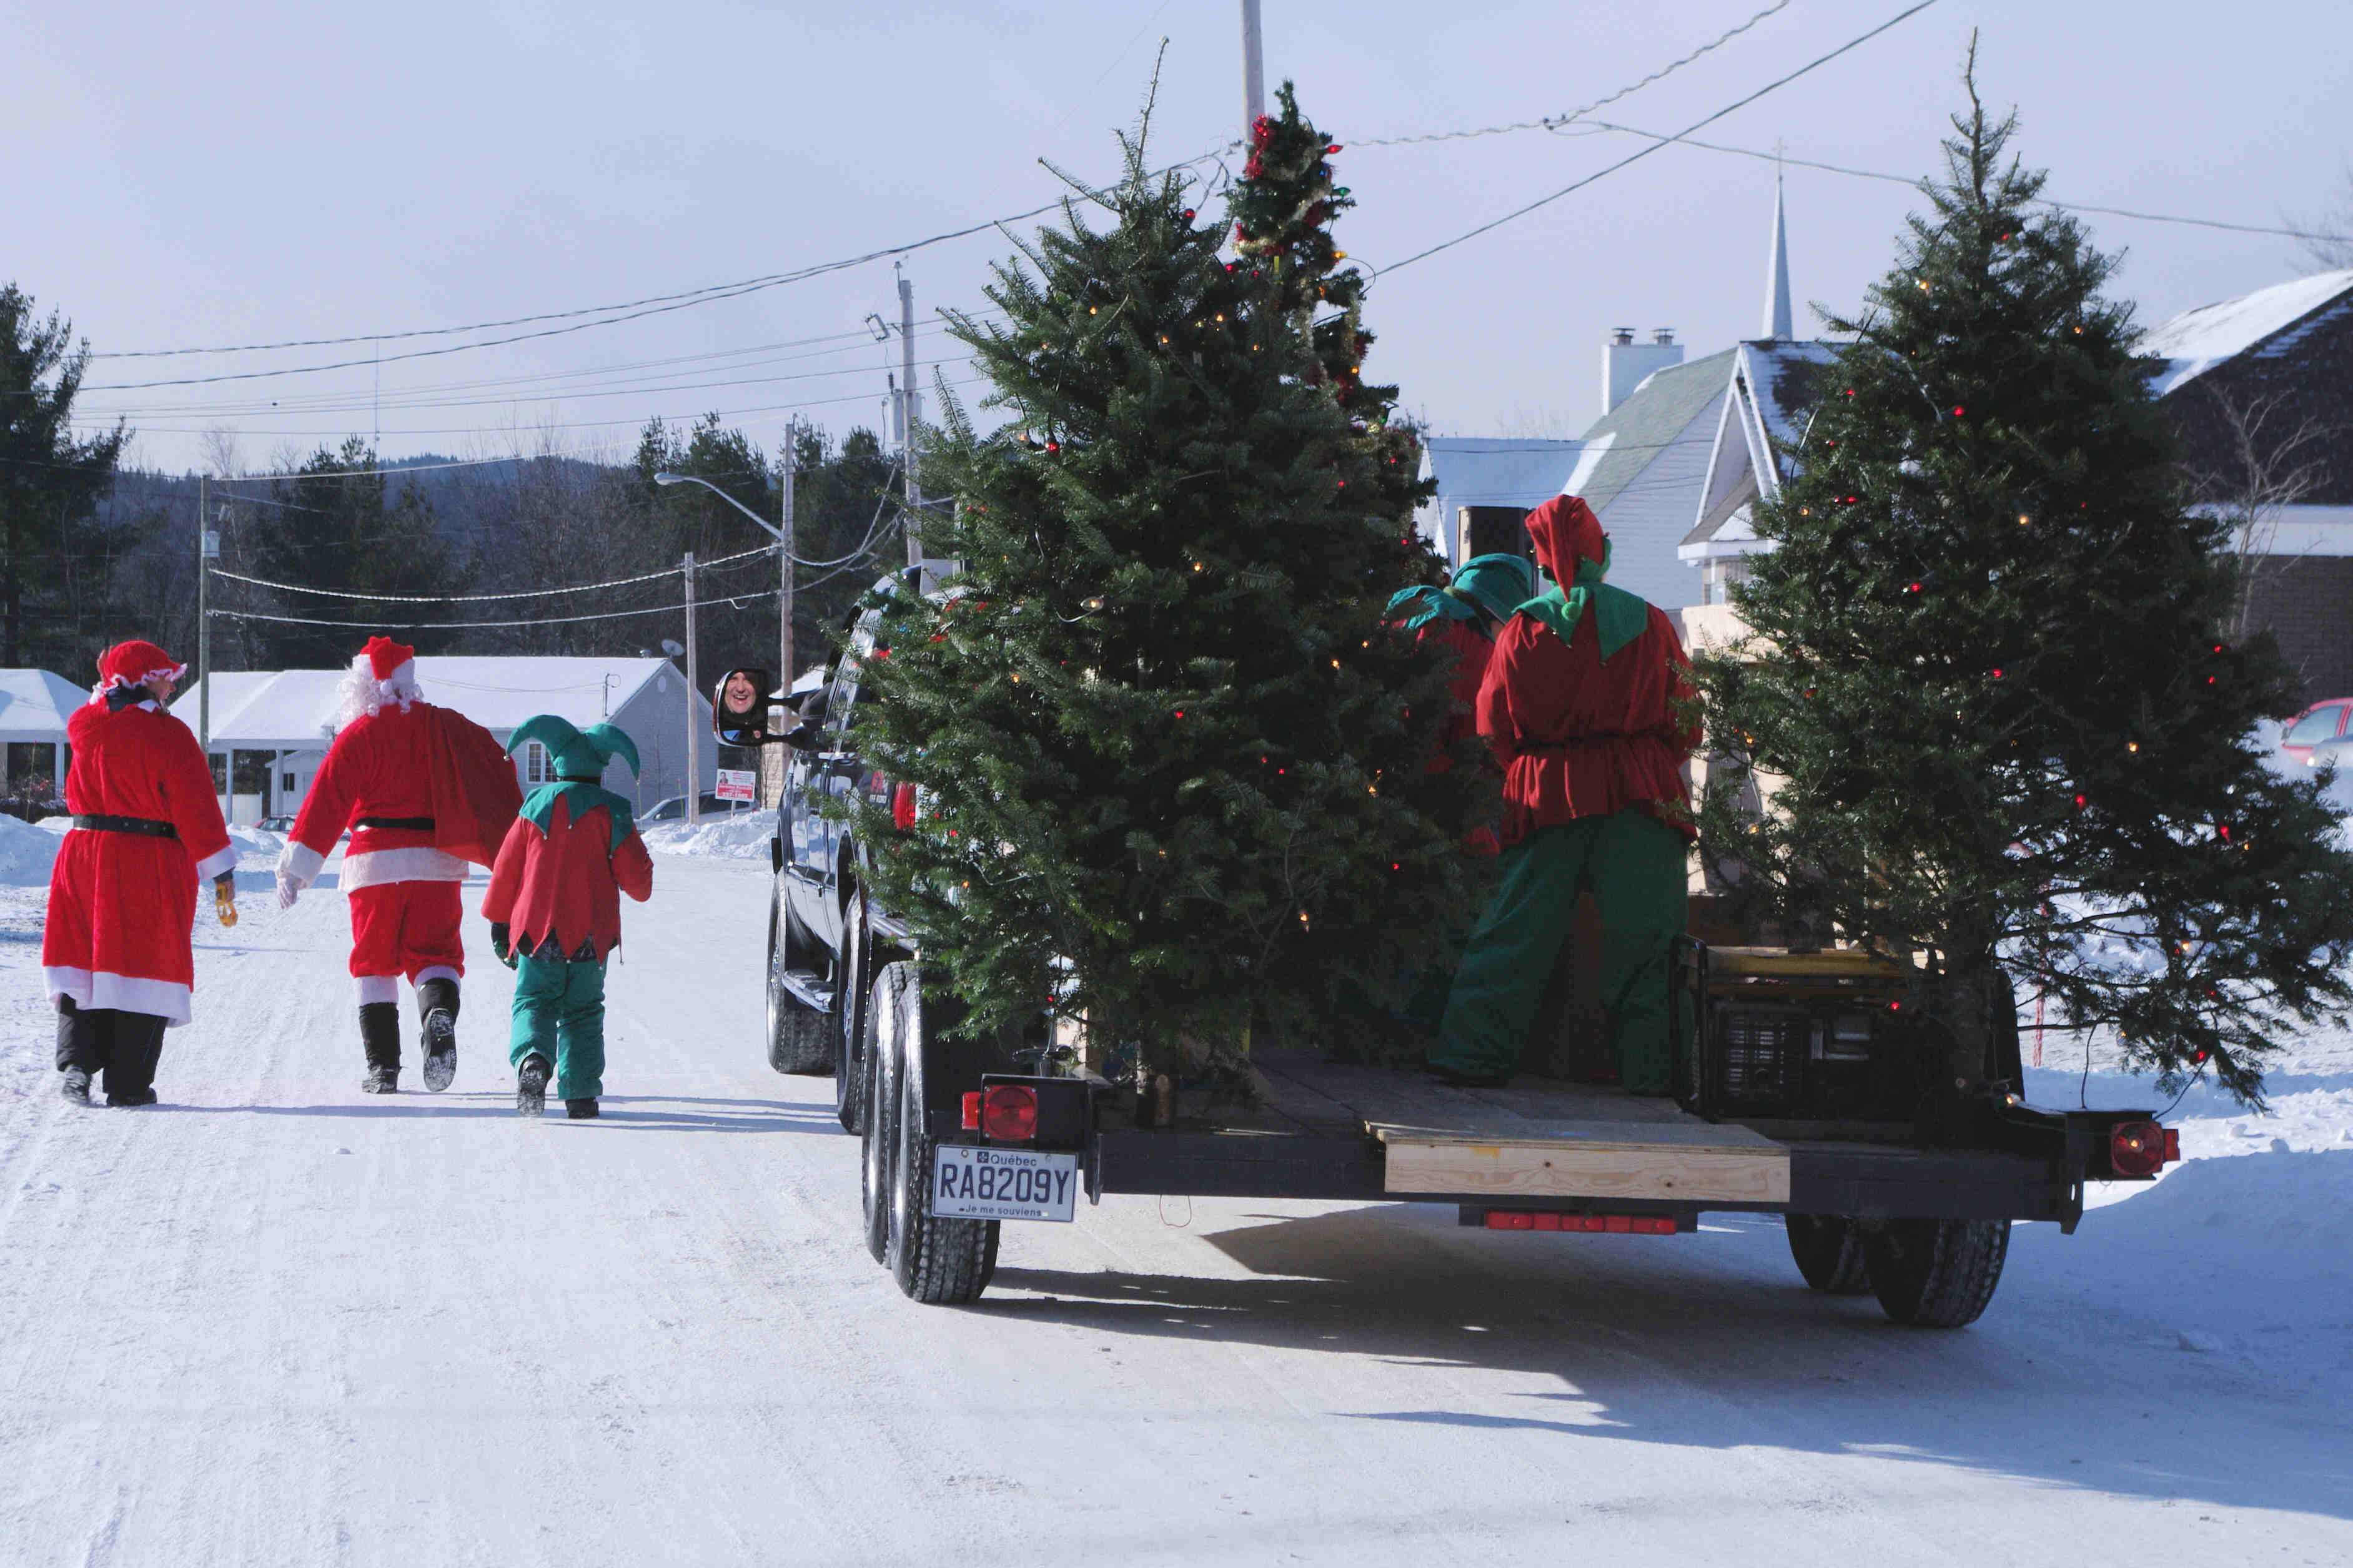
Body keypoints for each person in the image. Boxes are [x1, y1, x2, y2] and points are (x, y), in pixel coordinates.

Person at [1429, 495, 1700, 1092]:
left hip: (1545, 795)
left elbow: (1492, 724)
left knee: (1514, 931)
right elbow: (1685, 718)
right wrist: (1646, 759)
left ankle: (1469, 1057)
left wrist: (1530, 769)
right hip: (1640, 795)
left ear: (1544, 561)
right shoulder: (1652, 622)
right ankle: (1656, 1076)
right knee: (1648, 946)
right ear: (1600, 552)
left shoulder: (1521, 629)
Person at [275, 637, 521, 1093]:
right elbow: (491, 763)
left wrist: (298, 867)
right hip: (434, 861)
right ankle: (437, 1013)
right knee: (437, 955)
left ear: (364, 683)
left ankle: (383, 1068)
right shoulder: (443, 726)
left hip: (373, 865)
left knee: (373, 964)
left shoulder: (357, 735)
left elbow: (326, 801)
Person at [42, 641, 238, 1106]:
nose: (172, 683)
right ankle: (128, 1080)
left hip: (84, 856)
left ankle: (75, 1064)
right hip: (147, 861)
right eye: (165, 675)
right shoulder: (169, 735)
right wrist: (221, 871)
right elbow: (197, 809)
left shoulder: (83, 725)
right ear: (143, 678)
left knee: (84, 959)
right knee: (146, 962)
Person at [482, 716, 653, 1119]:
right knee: (584, 1010)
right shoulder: (613, 811)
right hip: (592, 938)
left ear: (558, 764)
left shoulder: (534, 805)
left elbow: (506, 871)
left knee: (534, 1001)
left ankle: (532, 1061)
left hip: (535, 933)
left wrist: (498, 921)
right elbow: (640, 886)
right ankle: (580, 1094)